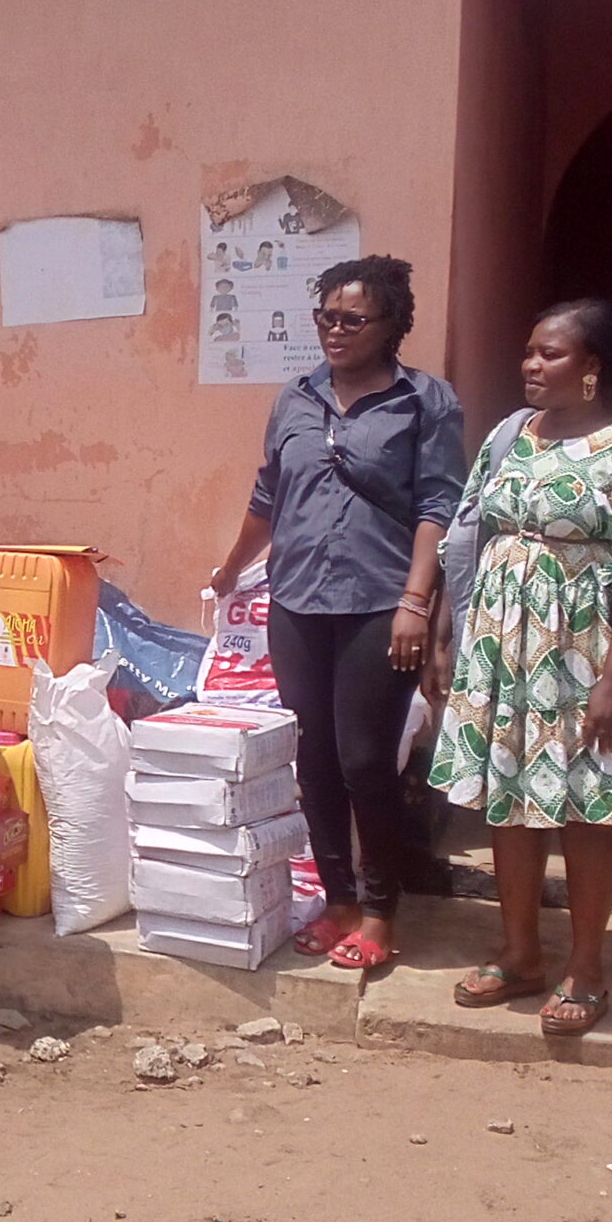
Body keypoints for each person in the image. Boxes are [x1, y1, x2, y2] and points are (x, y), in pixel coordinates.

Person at [427, 299, 612, 1036]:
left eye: (549, 353)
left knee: (587, 804)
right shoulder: (509, 437)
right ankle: (520, 953)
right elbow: (467, 536)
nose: (530, 365)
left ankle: (586, 967)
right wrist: (448, 633)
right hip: (505, 646)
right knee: (510, 799)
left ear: (592, 368)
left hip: (589, 650)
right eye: (528, 351)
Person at [210, 255, 465, 973]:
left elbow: (438, 504)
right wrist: (232, 566)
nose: (336, 330)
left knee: (364, 760)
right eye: (326, 316)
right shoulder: (296, 397)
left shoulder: (425, 401)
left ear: (391, 326)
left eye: (354, 319)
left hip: (381, 604)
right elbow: (269, 495)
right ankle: (340, 901)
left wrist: (417, 601)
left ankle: (381, 910)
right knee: (314, 758)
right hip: (296, 600)